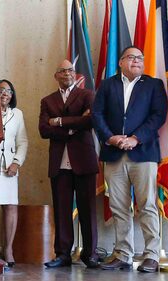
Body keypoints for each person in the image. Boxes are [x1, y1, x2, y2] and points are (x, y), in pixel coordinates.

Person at [92, 46, 168, 273]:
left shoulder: (153, 85)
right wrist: (110, 138)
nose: (136, 61)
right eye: (131, 57)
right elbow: (97, 115)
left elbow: (158, 115)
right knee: (118, 206)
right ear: (121, 62)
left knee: (147, 205)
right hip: (114, 154)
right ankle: (123, 254)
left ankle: (151, 255)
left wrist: (136, 138)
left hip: (143, 153)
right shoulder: (107, 85)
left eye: (140, 58)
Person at [39, 60, 100, 269]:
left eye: (71, 70)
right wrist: (74, 125)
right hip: (59, 163)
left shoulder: (87, 95)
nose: (67, 73)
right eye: (62, 71)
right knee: (61, 210)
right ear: (56, 76)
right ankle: (63, 254)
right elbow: (43, 130)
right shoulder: (47, 100)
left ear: (75, 74)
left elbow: (90, 121)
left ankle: (90, 254)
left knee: (88, 209)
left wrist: (59, 122)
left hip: (84, 160)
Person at [0, 79, 28, 268]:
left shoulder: (17, 114)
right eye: (0, 90)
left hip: (9, 168)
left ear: (12, 96)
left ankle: (8, 250)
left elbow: (23, 142)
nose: (4, 93)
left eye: (8, 91)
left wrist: (17, 162)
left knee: (10, 207)